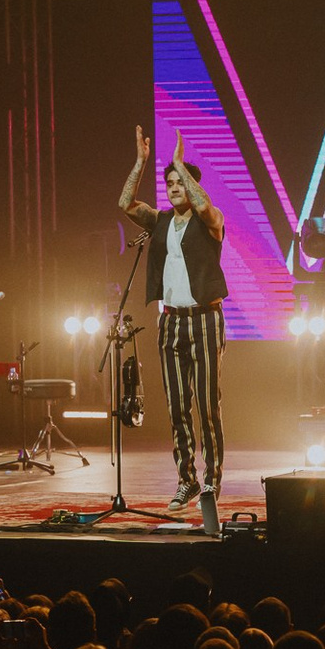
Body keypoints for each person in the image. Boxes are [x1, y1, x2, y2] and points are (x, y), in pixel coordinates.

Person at [119, 125, 227, 511]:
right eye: (169, 183)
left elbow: (205, 206)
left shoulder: (210, 220)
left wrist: (180, 163)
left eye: (180, 182)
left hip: (205, 319)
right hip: (172, 321)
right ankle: (187, 480)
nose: (174, 187)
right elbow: (126, 203)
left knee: (207, 405)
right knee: (178, 406)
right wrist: (141, 162)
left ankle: (212, 480)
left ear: (193, 186)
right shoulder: (161, 221)